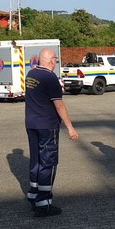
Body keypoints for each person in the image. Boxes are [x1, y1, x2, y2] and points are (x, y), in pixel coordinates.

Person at [24, 48, 78, 217]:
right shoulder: (49, 77)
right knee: (48, 162)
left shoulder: (31, 74)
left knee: (36, 160)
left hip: (31, 124)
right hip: (47, 125)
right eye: (55, 60)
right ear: (51, 61)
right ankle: (44, 203)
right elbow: (59, 105)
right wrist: (69, 126)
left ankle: (33, 195)